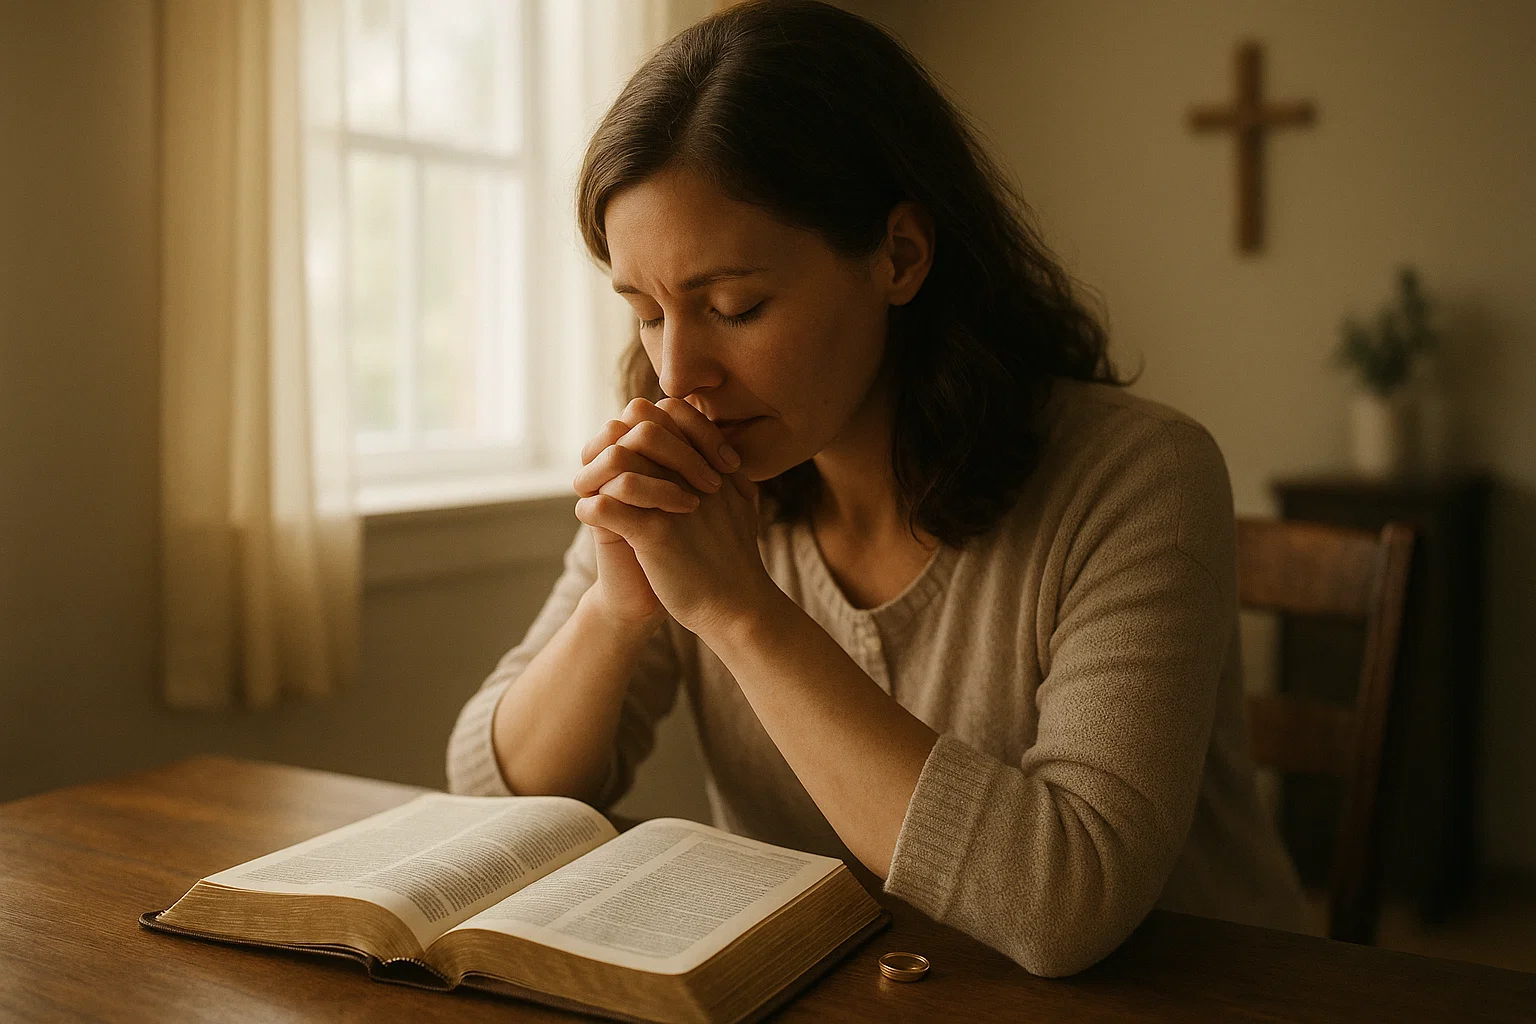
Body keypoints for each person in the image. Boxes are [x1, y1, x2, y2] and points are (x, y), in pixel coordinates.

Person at [447, 0, 1307, 976]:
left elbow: (1070, 901)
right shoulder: (696, 471)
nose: (679, 369)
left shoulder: (1138, 477)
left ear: (899, 255)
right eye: (645, 311)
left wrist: (739, 612)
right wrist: (615, 608)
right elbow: (489, 793)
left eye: (736, 306)